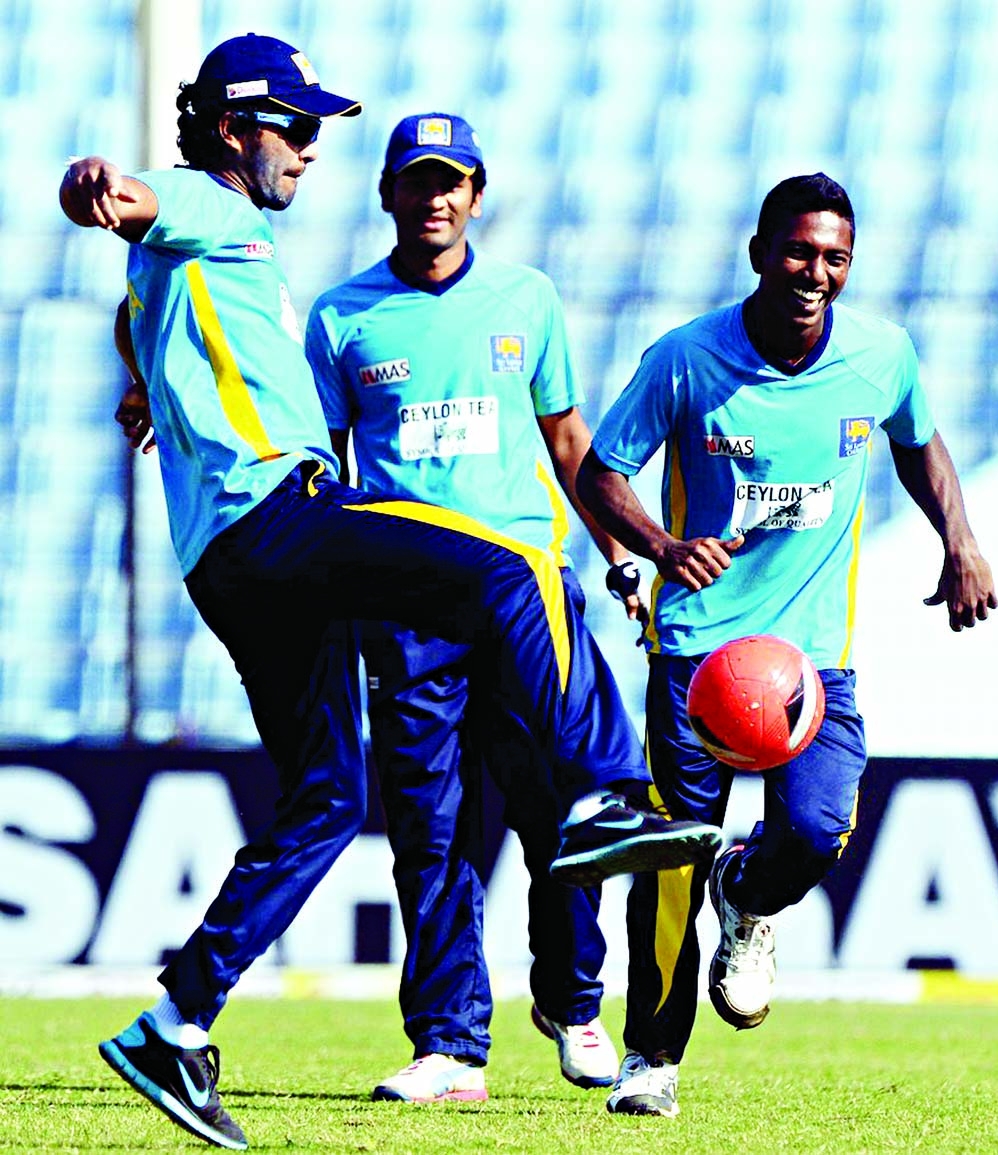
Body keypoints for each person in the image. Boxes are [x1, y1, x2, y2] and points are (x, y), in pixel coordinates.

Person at [60, 34, 723, 1150]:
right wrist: (99, 188)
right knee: (514, 564)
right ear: (235, 131)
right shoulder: (216, 211)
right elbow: (130, 195)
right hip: (282, 512)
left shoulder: (184, 267)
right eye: (299, 127)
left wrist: (141, 382)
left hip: (222, 562)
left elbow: (140, 313)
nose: (311, 152)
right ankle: (607, 789)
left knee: (326, 799)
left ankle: (176, 1019)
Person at [575, 173, 998, 1119]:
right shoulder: (686, 359)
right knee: (673, 856)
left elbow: (919, 443)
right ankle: (652, 1058)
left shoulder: (882, 355)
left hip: (812, 663)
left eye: (835, 257)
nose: (817, 273)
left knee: (813, 830)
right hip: (694, 658)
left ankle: (752, 893)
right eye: (801, 252)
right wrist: (663, 546)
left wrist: (960, 540)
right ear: (762, 252)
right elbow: (601, 472)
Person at [304, 112, 648, 1103]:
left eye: (452, 180)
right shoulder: (342, 317)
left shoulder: (525, 301)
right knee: (432, 825)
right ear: (387, 194)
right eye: (417, 180)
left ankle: (575, 1005)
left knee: (563, 811)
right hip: (406, 611)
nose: (436, 197)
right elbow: (327, 471)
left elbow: (570, 442)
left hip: (524, 591)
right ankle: (452, 1047)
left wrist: (623, 557)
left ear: (478, 194)